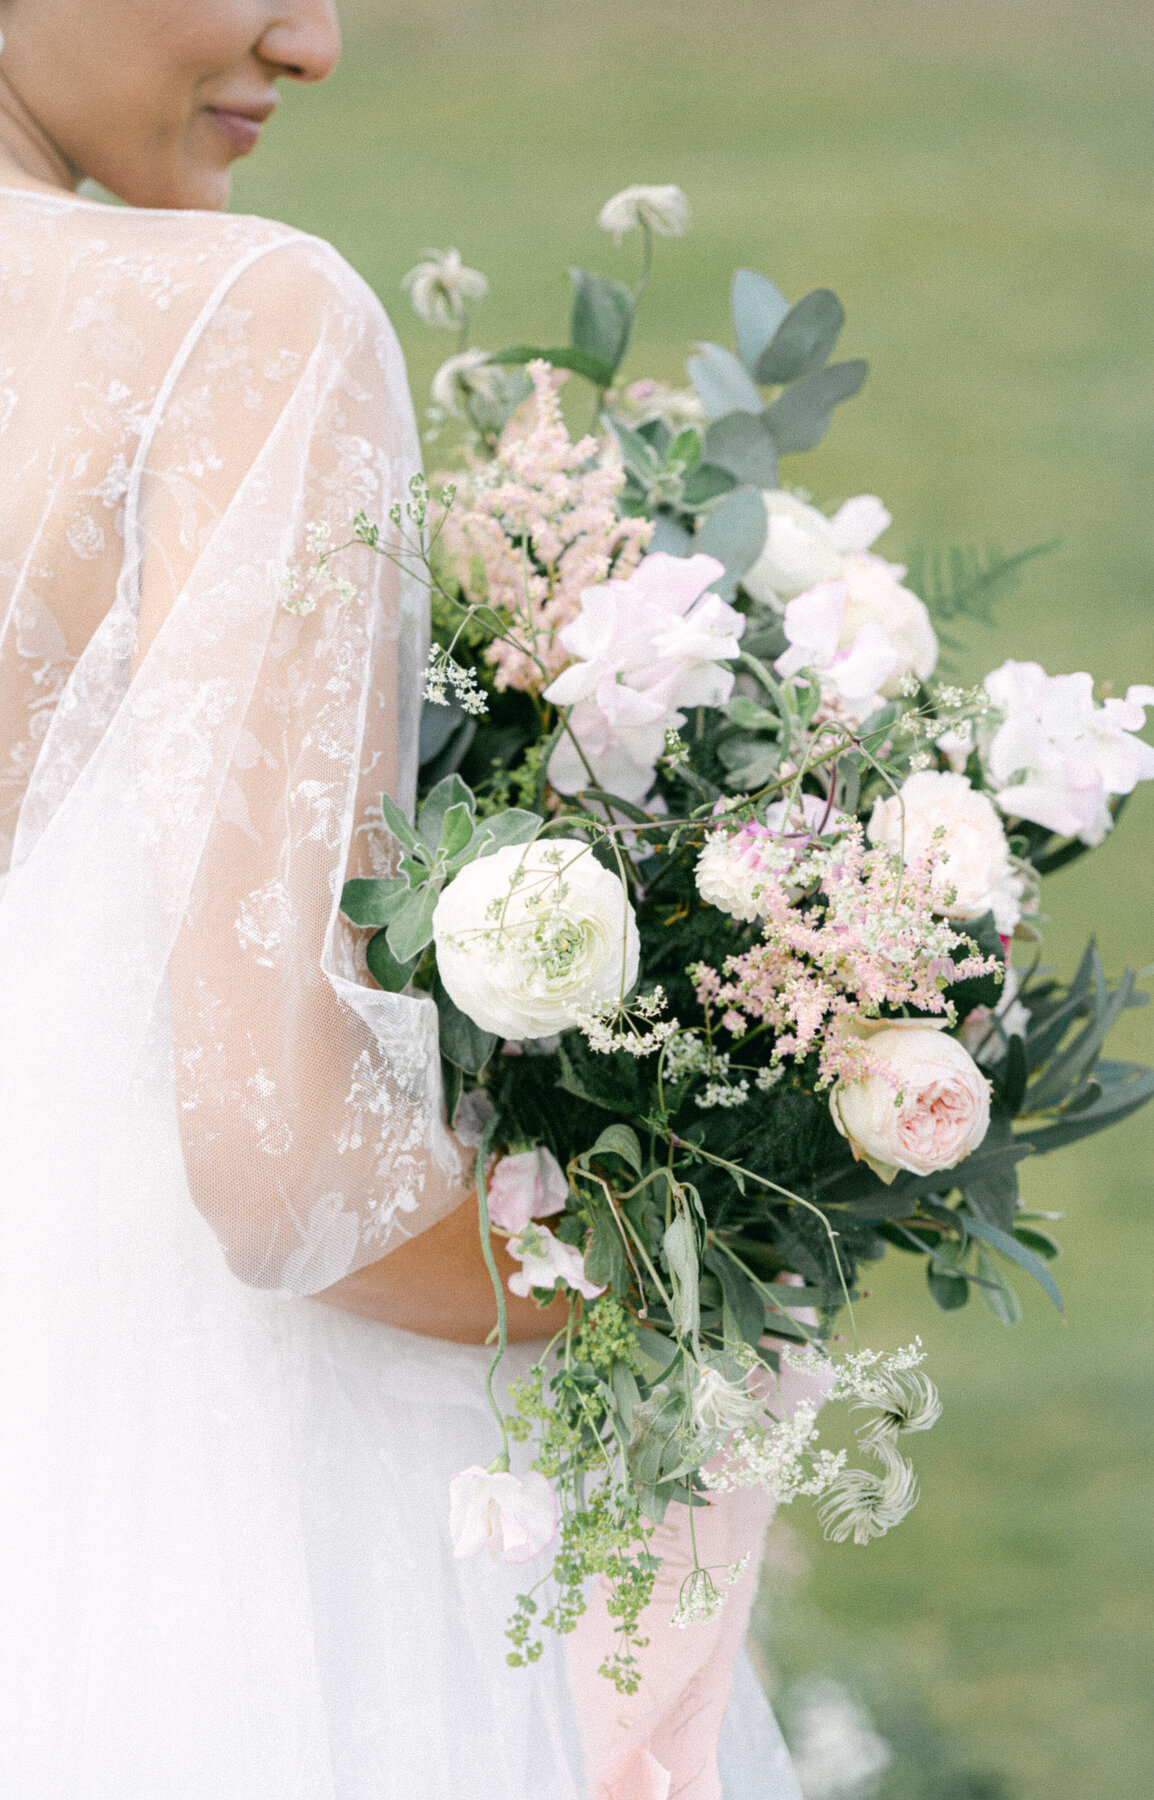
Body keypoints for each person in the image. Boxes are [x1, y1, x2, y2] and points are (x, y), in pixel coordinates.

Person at [0, 6, 812, 1794]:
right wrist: (682, 1267)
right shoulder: (238, 324)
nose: (317, 38)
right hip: (179, 1518)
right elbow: (296, 1175)